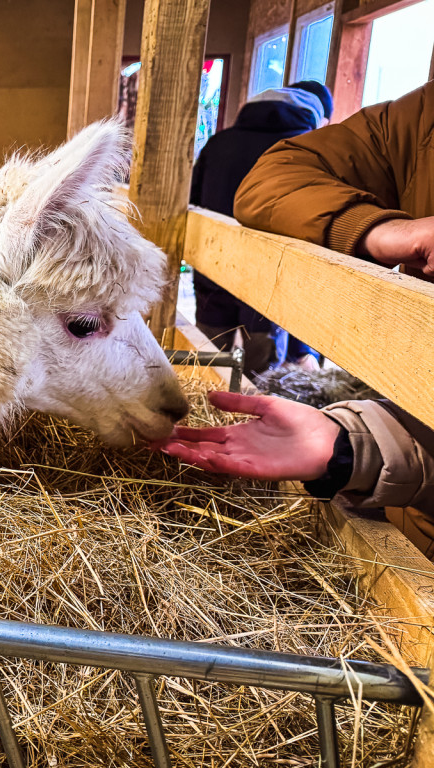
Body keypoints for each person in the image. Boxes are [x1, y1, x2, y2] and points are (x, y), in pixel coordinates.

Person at [154, 80, 434, 554]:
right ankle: (267, 374)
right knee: (264, 334)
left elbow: (199, 194)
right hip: (268, 277)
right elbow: (267, 187)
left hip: (223, 264)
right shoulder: (415, 121)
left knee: (220, 330)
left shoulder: (223, 140)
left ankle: (244, 373)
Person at [191, 81, 330, 375]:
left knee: (208, 357)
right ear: (319, 115)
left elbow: (192, 201)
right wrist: (301, 348)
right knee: (262, 370)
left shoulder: (219, 143)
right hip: (270, 280)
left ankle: (208, 398)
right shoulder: (307, 149)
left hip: (211, 267)